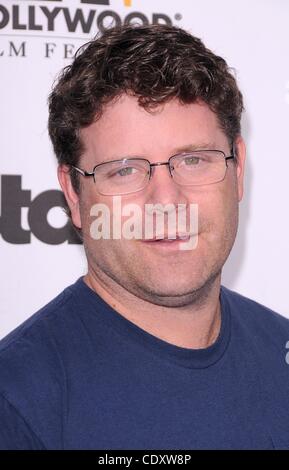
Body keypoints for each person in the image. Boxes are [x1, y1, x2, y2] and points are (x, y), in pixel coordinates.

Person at [0, 23, 288, 451]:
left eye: (193, 159)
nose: (166, 200)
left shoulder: (278, 348)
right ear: (73, 195)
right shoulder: (18, 403)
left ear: (238, 169)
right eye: (124, 170)